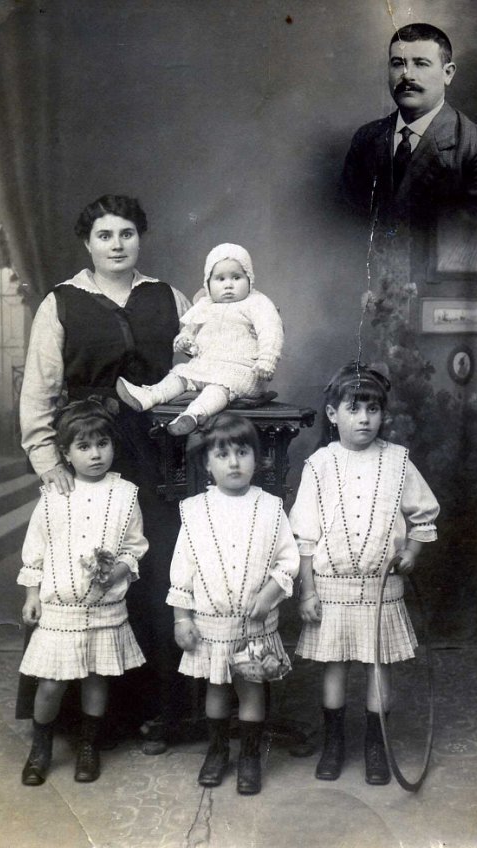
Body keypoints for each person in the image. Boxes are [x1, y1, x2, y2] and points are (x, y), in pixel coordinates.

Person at [19, 194, 190, 741]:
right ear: (87, 243)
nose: (116, 245)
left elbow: (197, 373)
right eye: (104, 236)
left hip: (159, 451)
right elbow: (40, 388)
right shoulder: (62, 302)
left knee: (153, 572)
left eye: (126, 234)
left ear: (140, 238)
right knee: (81, 571)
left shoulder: (170, 298)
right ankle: (81, 721)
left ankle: (160, 710)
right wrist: (47, 460)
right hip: (86, 448)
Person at [289, 363, 439, 785]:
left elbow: (423, 516)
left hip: (380, 589)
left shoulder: (397, 462)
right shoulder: (319, 465)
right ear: (333, 414)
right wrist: (308, 592)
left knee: (378, 667)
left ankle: (377, 744)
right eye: (354, 409)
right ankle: (334, 742)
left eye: (373, 410)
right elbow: (305, 536)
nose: (365, 419)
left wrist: (411, 553)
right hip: (332, 588)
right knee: (334, 667)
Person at [167, 412, 299, 795]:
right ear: (206, 463)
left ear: (257, 460)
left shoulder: (271, 507)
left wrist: (269, 594)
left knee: (251, 687)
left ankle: (250, 755)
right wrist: (182, 618)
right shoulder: (194, 511)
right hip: (211, 623)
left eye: (243, 453)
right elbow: (183, 568)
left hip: (255, 623)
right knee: (217, 689)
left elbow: (288, 561)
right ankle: (218, 749)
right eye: (223, 455)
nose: (235, 462)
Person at [18, 399, 148, 785]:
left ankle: (89, 745)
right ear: (66, 453)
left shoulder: (125, 493)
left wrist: (119, 570)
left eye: (102, 444)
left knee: (96, 677)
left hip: (105, 608)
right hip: (62, 610)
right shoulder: (55, 492)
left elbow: (134, 546)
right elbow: (36, 550)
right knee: (52, 682)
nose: (95, 455)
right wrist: (31, 595)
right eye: (85, 447)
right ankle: (40, 747)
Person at [342, 23, 477, 228]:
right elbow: (344, 226)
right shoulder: (366, 138)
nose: (407, 75)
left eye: (421, 63)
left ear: (447, 73)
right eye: (398, 63)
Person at [116, 243, 284, 436]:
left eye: (236, 278)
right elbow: (190, 330)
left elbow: (271, 331)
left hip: (242, 370)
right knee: (180, 374)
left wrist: (267, 361)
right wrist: (185, 339)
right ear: (208, 283)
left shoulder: (257, 303)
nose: (228, 285)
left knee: (217, 388)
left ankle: (194, 415)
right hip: (206, 366)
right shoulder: (204, 304)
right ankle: (150, 395)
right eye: (220, 279)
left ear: (249, 279)